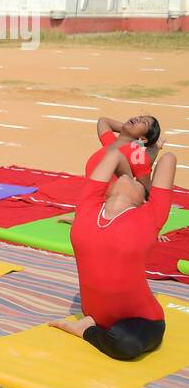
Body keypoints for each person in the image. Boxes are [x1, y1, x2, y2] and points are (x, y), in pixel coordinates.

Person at [50, 144, 178, 360]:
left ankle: (85, 330)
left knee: (124, 346)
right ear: (106, 190)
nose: (128, 181)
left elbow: (169, 159)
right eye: (120, 178)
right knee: (118, 340)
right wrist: (130, 175)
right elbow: (115, 155)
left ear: (144, 200)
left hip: (141, 319)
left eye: (137, 185)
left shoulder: (150, 216)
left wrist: (142, 175)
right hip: (95, 312)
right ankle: (93, 326)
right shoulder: (87, 205)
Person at [84, 115, 161, 186]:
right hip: (90, 196)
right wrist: (128, 129)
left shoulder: (137, 155)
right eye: (140, 117)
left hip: (109, 200)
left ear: (143, 139)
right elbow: (103, 121)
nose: (138, 119)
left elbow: (146, 191)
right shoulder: (111, 142)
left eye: (144, 122)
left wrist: (131, 130)